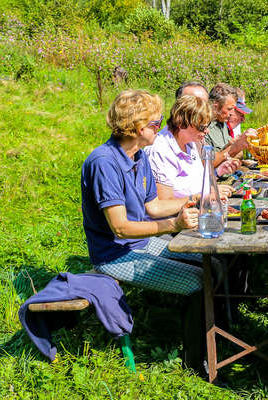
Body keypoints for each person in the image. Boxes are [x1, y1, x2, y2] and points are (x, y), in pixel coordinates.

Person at [80, 89, 207, 371]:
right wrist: (174, 225)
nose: (160, 128)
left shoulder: (139, 156)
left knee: (213, 261)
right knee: (199, 281)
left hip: (140, 244)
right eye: (156, 123)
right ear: (137, 127)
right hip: (113, 254)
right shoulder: (105, 163)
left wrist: (194, 199)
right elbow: (121, 228)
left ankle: (214, 335)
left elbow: (153, 206)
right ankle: (195, 361)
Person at [145, 95, 237, 200]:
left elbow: (195, 183)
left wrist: (216, 178)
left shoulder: (189, 141)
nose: (206, 131)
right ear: (181, 123)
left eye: (208, 125)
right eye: (201, 127)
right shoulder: (160, 151)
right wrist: (204, 196)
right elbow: (164, 203)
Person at [206, 82, 256, 166]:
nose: (231, 113)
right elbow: (208, 164)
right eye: (229, 109)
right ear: (215, 107)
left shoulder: (223, 123)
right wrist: (235, 147)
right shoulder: (204, 128)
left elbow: (232, 155)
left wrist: (238, 144)